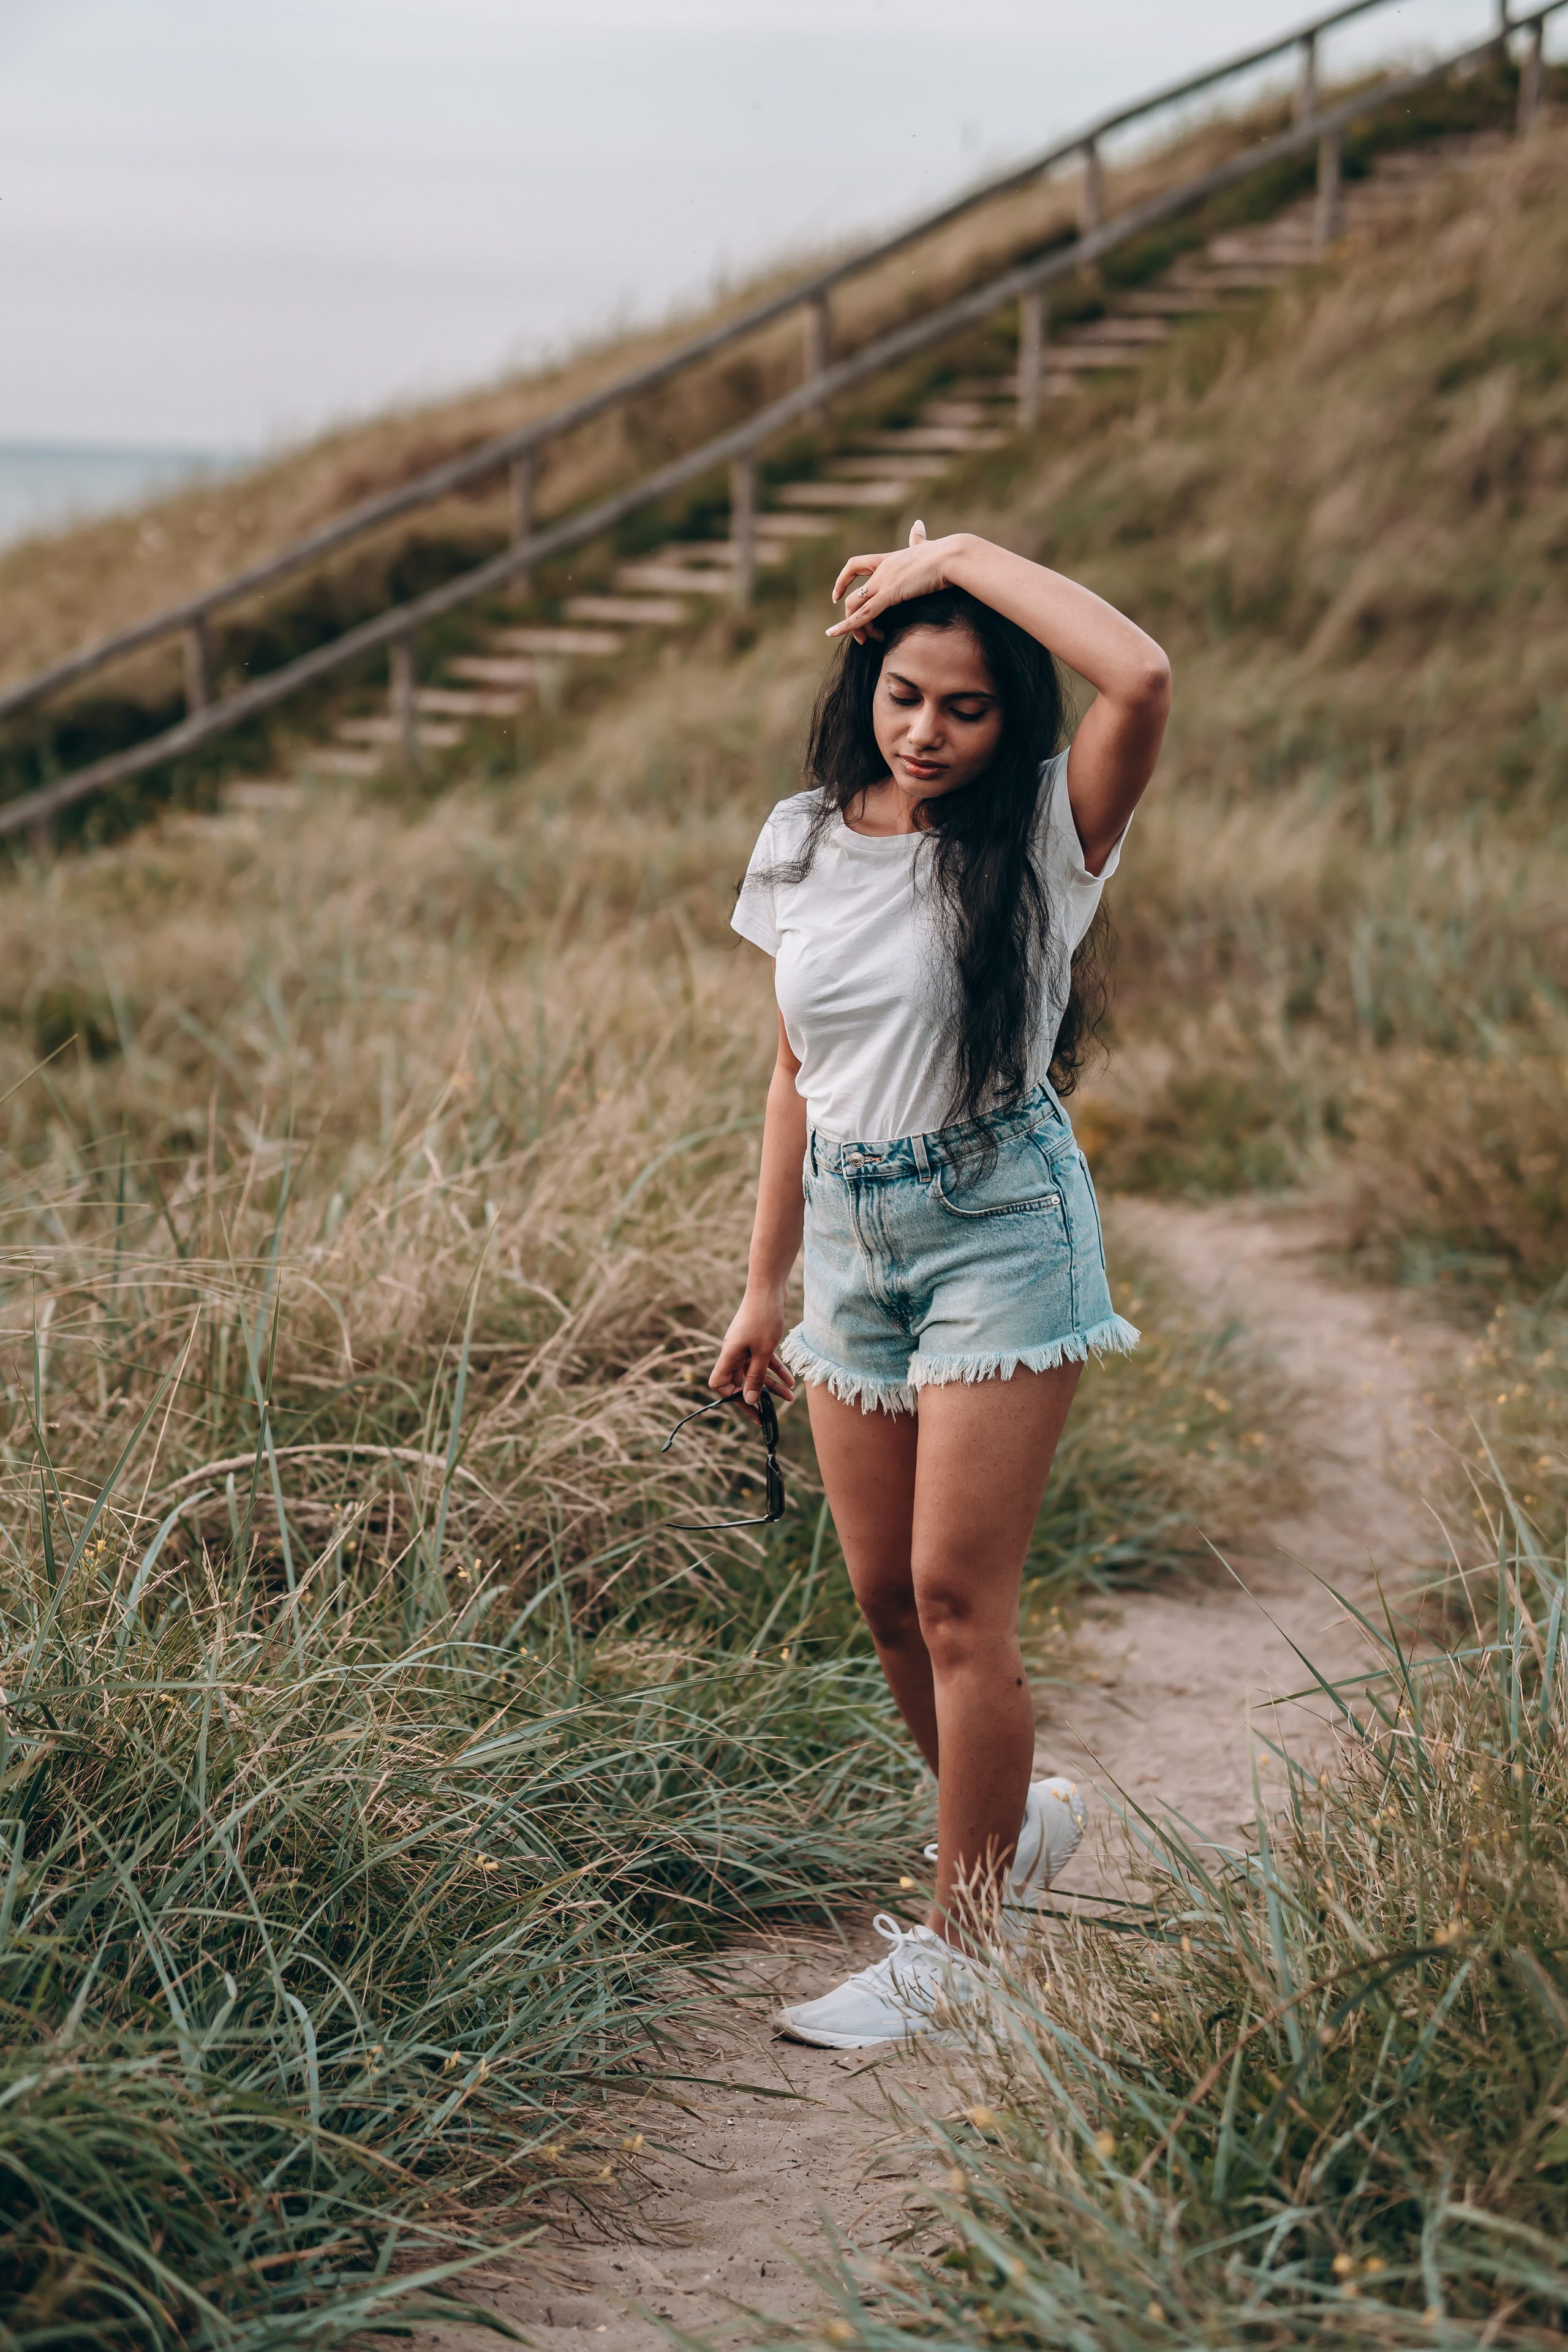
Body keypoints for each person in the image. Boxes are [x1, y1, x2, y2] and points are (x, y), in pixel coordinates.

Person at [713, 522, 1169, 2048]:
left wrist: (960, 555)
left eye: (965, 708)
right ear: (866, 684)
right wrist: (762, 1287)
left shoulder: (1046, 830)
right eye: (904, 696)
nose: (926, 733)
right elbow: (794, 1071)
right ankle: (1011, 1819)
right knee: (883, 1603)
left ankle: (959, 1945)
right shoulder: (798, 837)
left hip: (997, 1225)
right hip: (850, 1240)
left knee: (958, 1600)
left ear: (1007, 718)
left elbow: (1141, 676)